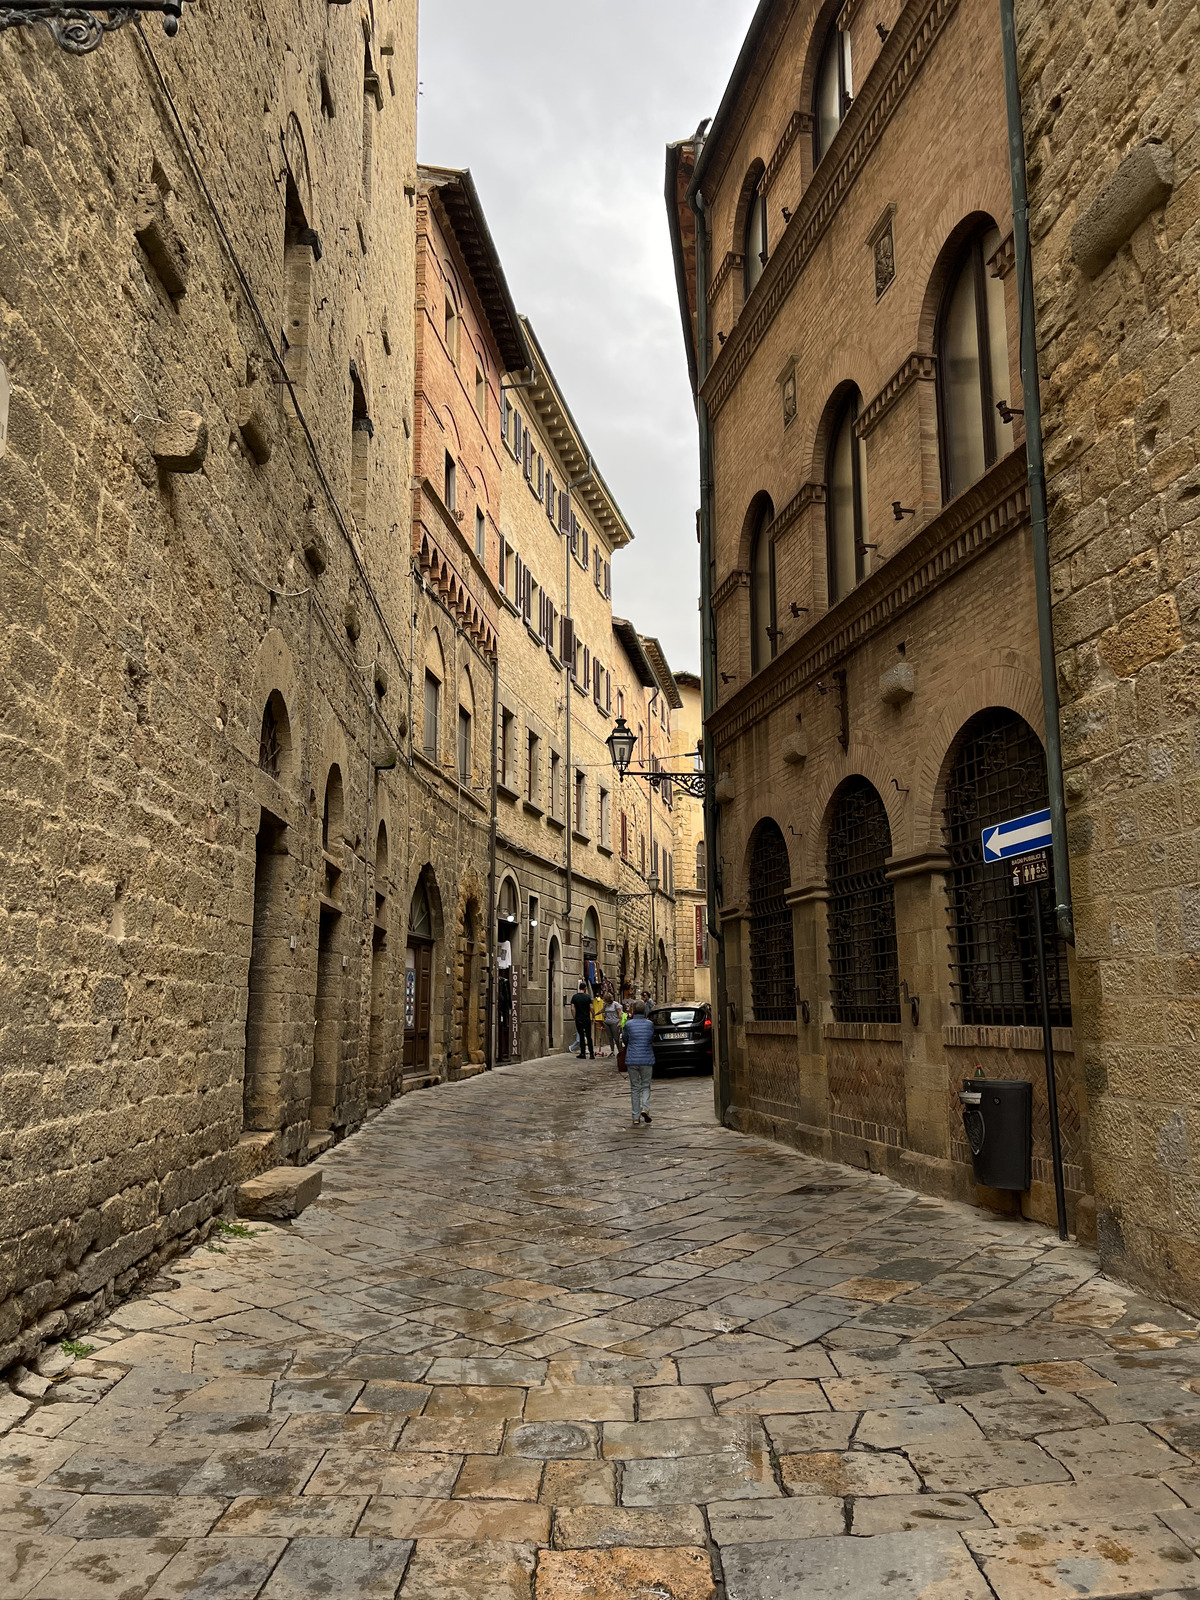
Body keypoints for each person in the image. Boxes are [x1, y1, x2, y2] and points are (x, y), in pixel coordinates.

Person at [621, 1001, 655, 1126]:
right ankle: (645, 1108)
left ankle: (635, 1116)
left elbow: (625, 1040)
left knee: (635, 1088)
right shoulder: (650, 1024)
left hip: (632, 1059)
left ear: (633, 1011)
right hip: (646, 1059)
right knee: (646, 1085)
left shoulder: (629, 1025)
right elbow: (651, 1038)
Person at [570, 981, 595, 1059]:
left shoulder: (575, 997)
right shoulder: (587, 997)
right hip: (586, 1018)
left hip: (579, 1018)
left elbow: (572, 1008)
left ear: (579, 988)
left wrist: (574, 1017)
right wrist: (593, 1016)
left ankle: (583, 1053)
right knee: (588, 1036)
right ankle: (591, 1054)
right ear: (585, 988)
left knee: (581, 1036)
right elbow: (591, 1007)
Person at [602, 992, 622, 1058]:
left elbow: (619, 1013)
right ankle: (612, 1051)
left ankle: (620, 1051)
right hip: (607, 1022)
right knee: (610, 1037)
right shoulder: (606, 1005)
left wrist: (620, 1022)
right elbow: (602, 1010)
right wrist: (595, 1014)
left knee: (616, 1037)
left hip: (614, 1022)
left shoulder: (615, 1004)